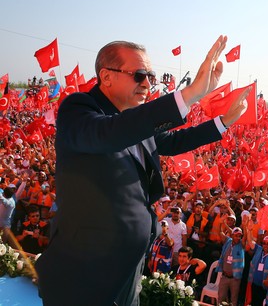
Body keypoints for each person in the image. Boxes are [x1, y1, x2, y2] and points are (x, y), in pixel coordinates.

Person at [35, 36, 250, 306]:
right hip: (85, 273)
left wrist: (224, 122)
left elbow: (173, 142)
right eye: (139, 75)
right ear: (107, 76)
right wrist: (190, 93)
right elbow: (109, 134)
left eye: (150, 75)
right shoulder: (79, 109)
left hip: (128, 270)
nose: (148, 83)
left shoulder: (136, 121)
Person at [217, 226, 246, 306]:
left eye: (240, 236)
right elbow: (220, 233)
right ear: (232, 235)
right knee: (221, 299)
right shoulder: (228, 241)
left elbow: (245, 238)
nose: (238, 237)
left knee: (233, 301)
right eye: (236, 235)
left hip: (235, 279)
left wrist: (246, 227)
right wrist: (220, 223)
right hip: (225, 276)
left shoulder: (242, 244)